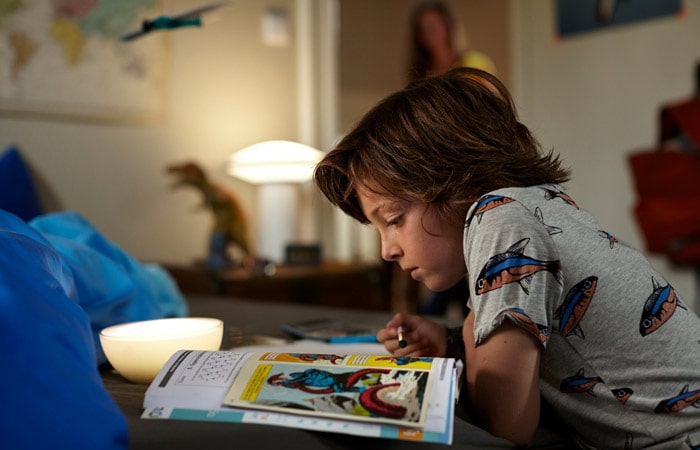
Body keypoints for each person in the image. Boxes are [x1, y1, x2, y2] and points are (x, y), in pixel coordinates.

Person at [313, 67, 700, 448]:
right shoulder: (537, 203)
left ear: (451, 180)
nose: (387, 249)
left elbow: (506, 426)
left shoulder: (498, 217)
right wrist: (450, 344)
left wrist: (467, 335)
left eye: (394, 219)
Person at [407, 0, 496, 82]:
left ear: (448, 27)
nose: (428, 34)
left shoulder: (476, 64)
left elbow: (490, 97)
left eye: (433, 27)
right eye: (423, 30)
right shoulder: (421, 74)